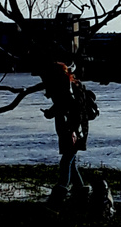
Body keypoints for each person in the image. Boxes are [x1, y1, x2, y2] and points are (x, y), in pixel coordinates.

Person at [41, 61, 97, 208]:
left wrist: (73, 130)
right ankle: (81, 192)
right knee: (70, 163)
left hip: (72, 131)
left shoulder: (67, 88)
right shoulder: (71, 87)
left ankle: (59, 194)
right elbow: (62, 105)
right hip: (74, 130)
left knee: (66, 162)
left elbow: (68, 106)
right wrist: (50, 113)